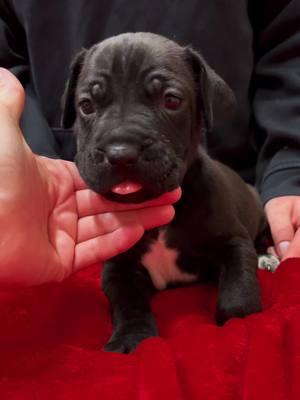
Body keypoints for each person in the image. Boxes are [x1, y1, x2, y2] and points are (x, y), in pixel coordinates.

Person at [0, 0, 299, 286]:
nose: (122, 149)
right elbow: (7, 58)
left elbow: (290, 37)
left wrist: (290, 166)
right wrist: (35, 166)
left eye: (169, 100)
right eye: (90, 106)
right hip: (74, 215)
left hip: (237, 180)